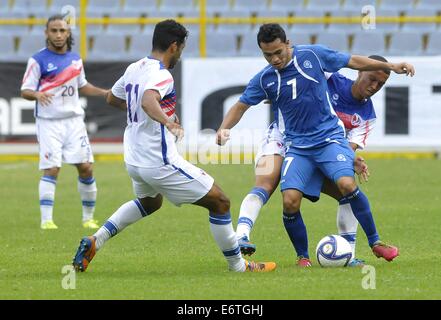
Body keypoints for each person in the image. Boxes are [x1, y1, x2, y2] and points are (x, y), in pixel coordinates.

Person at [72, 19, 276, 273]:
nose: (180, 53)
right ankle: (239, 266)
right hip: (159, 161)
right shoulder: (162, 74)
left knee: (150, 203)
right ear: (174, 46)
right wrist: (168, 121)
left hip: (135, 159)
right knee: (221, 202)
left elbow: (113, 98)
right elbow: (148, 100)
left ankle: (95, 240)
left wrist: (156, 113)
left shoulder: (135, 67)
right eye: (181, 48)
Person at [216, 23, 414, 267]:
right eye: (268, 55)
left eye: (278, 52)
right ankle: (302, 258)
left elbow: (352, 59)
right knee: (288, 199)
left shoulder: (313, 56)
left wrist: (391, 66)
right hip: (295, 145)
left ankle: (374, 242)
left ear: (288, 43)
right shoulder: (266, 79)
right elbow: (241, 105)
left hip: (329, 139)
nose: (275, 59)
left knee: (346, 185)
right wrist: (224, 127)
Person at [21, 14, 109, 230]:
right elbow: (25, 90)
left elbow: (82, 85)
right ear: (46, 33)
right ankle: (46, 220)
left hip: (74, 122)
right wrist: (37, 95)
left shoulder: (75, 59)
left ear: (68, 33)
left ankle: (88, 218)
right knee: (52, 169)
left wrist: (104, 92)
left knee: (86, 167)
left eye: (62, 30)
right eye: (54, 30)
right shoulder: (38, 60)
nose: (58, 35)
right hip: (49, 122)